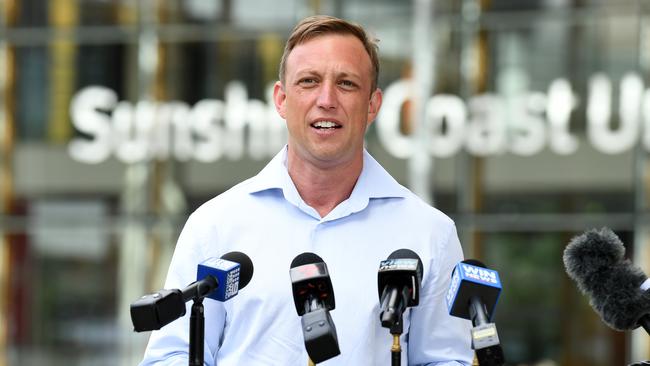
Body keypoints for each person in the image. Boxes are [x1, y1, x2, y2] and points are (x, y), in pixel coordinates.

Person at [139, 15, 473, 365]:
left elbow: (448, 359)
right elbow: (172, 356)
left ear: (373, 105)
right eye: (309, 81)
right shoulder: (215, 226)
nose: (326, 99)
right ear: (281, 100)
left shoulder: (430, 233)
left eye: (346, 83)